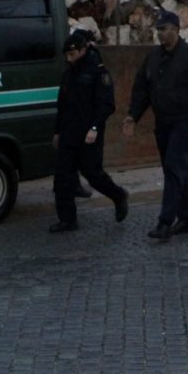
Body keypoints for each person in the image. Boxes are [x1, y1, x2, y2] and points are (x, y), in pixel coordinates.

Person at [123, 9, 188, 241]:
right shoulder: (153, 57)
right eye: (158, 30)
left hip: (184, 122)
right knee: (175, 170)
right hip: (163, 122)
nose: (160, 34)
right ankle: (186, 219)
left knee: (174, 167)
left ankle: (165, 221)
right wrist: (133, 115)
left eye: (164, 30)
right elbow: (142, 86)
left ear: (176, 29)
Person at [50, 29, 129, 233]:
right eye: (67, 55)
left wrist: (94, 127)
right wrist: (57, 131)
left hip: (88, 133)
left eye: (72, 54)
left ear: (83, 50)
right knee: (62, 177)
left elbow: (106, 104)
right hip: (69, 132)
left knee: (93, 174)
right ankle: (67, 220)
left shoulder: (98, 72)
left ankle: (118, 195)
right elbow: (63, 104)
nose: (69, 59)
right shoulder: (69, 74)